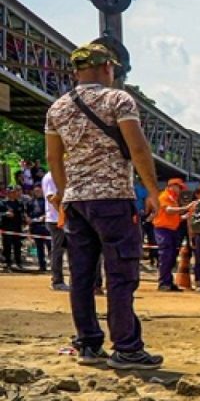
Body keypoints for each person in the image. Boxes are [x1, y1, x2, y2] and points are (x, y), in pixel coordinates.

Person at [44, 41, 163, 369]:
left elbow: (54, 157)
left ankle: (88, 344)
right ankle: (126, 348)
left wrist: (65, 194)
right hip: (113, 198)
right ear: (106, 67)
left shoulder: (57, 108)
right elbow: (138, 149)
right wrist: (153, 191)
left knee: (82, 275)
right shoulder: (118, 99)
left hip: (78, 203)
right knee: (120, 273)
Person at [152, 178, 192, 291]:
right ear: (172, 186)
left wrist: (184, 216)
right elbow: (168, 211)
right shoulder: (164, 196)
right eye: (179, 187)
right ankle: (164, 282)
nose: (180, 190)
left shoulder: (173, 199)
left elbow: (172, 216)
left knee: (171, 257)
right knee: (166, 255)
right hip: (163, 230)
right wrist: (186, 208)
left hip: (171, 230)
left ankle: (168, 281)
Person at [41, 171, 69, 290]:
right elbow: (51, 199)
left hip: (61, 219)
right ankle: (57, 281)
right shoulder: (52, 176)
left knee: (69, 250)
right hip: (55, 220)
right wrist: (63, 217)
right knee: (58, 250)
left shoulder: (59, 174)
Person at [1, 187, 27, 271]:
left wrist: (25, 222)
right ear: (7, 193)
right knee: (7, 247)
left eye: (13, 192)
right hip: (6, 228)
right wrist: (5, 214)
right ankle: (8, 264)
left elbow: (22, 215)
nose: (12, 194)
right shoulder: (2, 203)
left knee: (17, 246)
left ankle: (18, 263)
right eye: (10, 192)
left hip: (17, 229)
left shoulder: (19, 203)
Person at [26, 184, 49, 271]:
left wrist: (45, 216)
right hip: (36, 227)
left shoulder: (46, 201)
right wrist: (28, 222)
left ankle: (54, 266)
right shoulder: (30, 202)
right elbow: (28, 214)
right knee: (39, 248)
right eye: (36, 191)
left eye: (39, 191)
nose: (37, 192)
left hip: (46, 226)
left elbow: (50, 211)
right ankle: (42, 266)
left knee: (50, 247)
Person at [134, 180, 157, 267]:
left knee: (149, 238)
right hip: (139, 214)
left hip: (144, 214)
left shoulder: (147, 190)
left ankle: (152, 258)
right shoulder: (139, 189)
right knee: (141, 237)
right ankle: (142, 258)